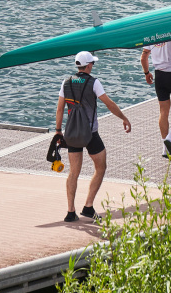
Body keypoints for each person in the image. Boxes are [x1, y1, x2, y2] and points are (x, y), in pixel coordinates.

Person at [54, 50, 132, 223]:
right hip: (90, 134)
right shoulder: (94, 82)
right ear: (88, 65)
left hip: (72, 133)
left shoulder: (66, 82)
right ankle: (88, 206)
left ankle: (70, 211)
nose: (92, 66)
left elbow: (60, 109)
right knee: (101, 166)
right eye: (92, 64)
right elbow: (109, 103)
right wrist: (124, 118)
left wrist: (58, 130)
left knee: (74, 172)